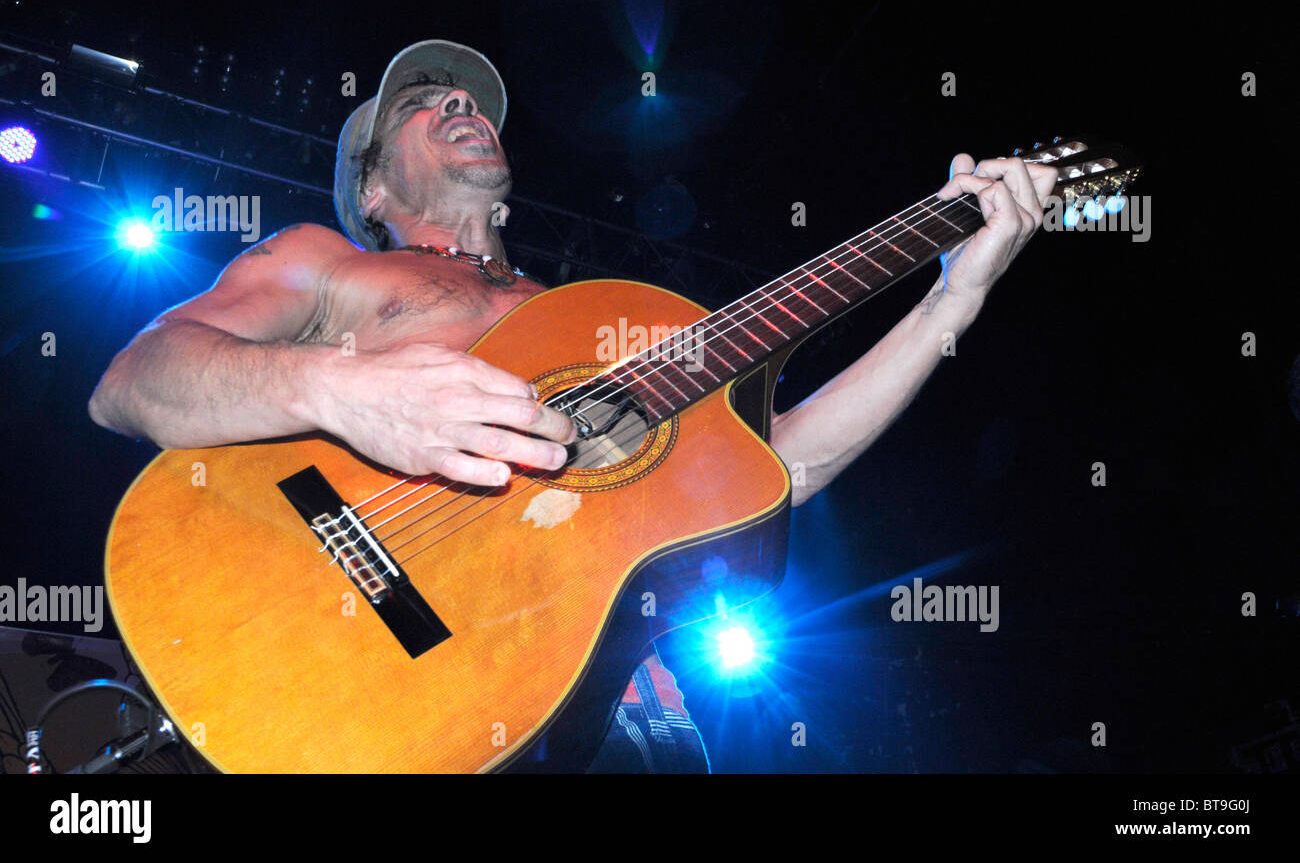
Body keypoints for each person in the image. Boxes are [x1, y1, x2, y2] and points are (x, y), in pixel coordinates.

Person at [88, 40, 1055, 773]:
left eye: (469, 98)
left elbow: (784, 468)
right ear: (373, 185)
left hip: (623, 709)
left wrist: (950, 300)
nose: (463, 104)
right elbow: (134, 383)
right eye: (425, 105)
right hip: (397, 674)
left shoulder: (599, 324)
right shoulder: (328, 260)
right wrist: (345, 389)